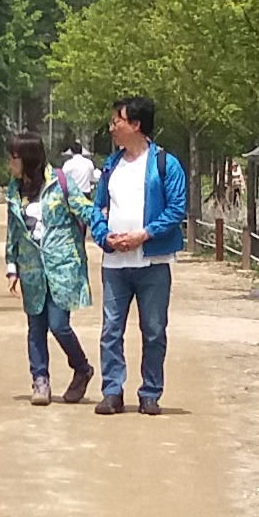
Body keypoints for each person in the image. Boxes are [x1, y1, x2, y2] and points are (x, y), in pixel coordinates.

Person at [87, 96, 187, 415]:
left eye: (118, 121)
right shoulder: (111, 164)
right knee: (111, 329)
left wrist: (144, 234)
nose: (112, 127)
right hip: (115, 263)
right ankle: (112, 391)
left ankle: (150, 392)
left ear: (136, 125)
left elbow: (176, 208)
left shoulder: (165, 164)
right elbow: (98, 207)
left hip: (152, 263)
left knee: (154, 329)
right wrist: (105, 236)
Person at [4, 133, 94, 406]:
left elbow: (84, 209)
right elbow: (14, 230)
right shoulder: (14, 189)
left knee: (58, 325)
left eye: (13, 157)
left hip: (61, 267)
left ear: (27, 158)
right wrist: (12, 266)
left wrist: (109, 230)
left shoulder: (59, 182)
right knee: (35, 327)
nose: (9, 163)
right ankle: (40, 380)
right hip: (31, 269)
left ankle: (81, 367)